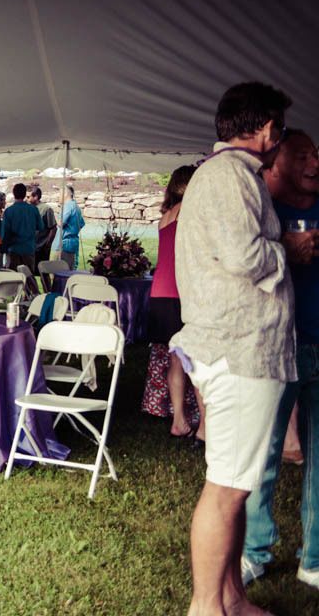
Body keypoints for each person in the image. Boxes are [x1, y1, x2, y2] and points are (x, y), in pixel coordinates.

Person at [171, 82, 299, 616]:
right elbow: (246, 256)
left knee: (237, 484)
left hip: (238, 350)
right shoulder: (228, 177)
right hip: (238, 353)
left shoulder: (228, 175)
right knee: (225, 488)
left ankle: (232, 598)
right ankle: (207, 607)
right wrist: (288, 247)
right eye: (283, 132)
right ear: (267, 130)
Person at [243, 129, 319, 591]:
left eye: (317, 154)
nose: (314, 162)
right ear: (276, 161)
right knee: (262, 453)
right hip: (276, 348)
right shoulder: (264, 212)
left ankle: (314, 558)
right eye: (304, 154)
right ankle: (254, 552)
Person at [140, 165, 204, 440]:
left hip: (160, 293)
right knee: (198, 359)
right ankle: (203, 426)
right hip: (181, 292)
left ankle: (179, 418)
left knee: (176, 359)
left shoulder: (165, 216)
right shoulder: (190, 213)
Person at [0, 183, 43, 274]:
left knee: (14, 279)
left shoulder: (9, 211)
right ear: (24, 194)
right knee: (29, 278)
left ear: (13, 194)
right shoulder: (33, 209)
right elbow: (41, 227)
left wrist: (3, 249)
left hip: (14, 250)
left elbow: (4, 233)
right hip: (29, 248)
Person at [28, 186, 57, 267]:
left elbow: (53, 228)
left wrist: (47, 244)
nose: (27, 199)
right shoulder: (28, 208)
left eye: (28, 197)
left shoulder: (46, 209)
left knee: (43, 272)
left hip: (41, 248)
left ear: (36, 197)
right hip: (30, 248)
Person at [58, 185, 85, 268]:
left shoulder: (68, 206)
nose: (59, 196)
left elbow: (61, 223)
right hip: (74, 241)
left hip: (67, 243)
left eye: (60, 194)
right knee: (73, 267)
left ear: (65, 193)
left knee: (65, 269)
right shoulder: (76, 206)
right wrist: (74, 230)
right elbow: (82, 223)